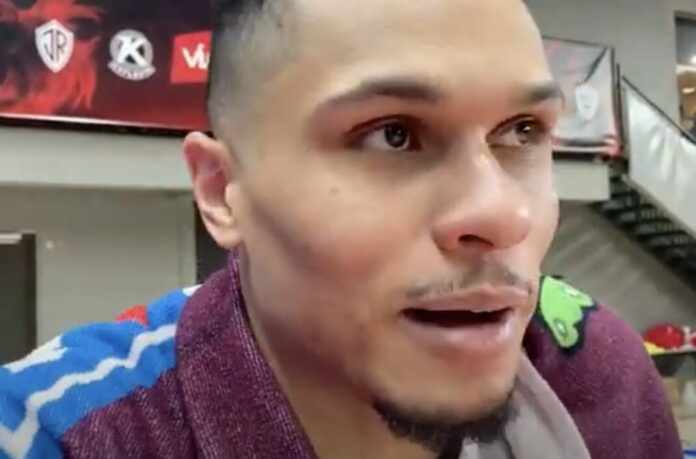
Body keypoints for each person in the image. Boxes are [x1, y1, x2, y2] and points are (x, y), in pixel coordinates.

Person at [0, 0, 682, 458]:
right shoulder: (61, 432)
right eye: (393, 134)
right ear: (221, 191)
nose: (504, 215)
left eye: (522, 131)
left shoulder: (596, 373)